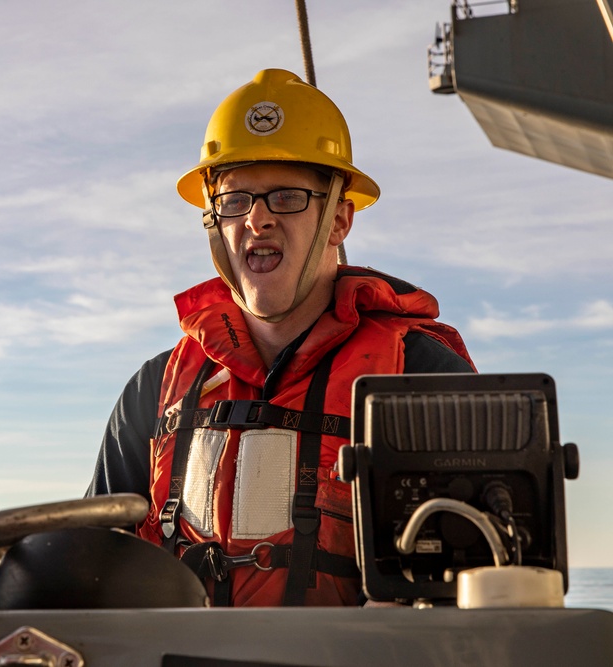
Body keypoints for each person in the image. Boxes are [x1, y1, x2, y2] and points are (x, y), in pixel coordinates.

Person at [86, 69, 475, 607]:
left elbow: (490, 591)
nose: (257, 220)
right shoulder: (154, 391)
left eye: (287, 197)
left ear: (339, 220)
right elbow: (89, 574)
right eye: (235, 200)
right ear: (213, 221)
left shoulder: (420, 377)